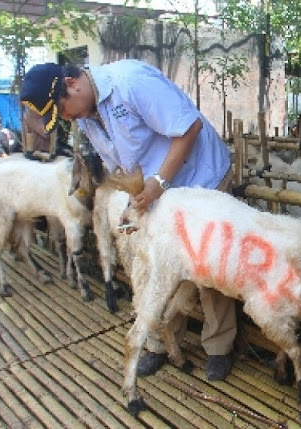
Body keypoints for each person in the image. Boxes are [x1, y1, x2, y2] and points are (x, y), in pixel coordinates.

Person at [20, 60, 237, 381]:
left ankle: (219, 347)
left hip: (201, 176)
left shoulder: (131, 83)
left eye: (63, 110)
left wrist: (159, 183)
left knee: (205, 265)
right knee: (151, 264)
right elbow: (121, 165)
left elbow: (190, 128)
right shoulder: (86, 115)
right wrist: (130, 200)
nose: (67, 119)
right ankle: (160, 343)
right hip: (156, 189)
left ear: (72, 83)